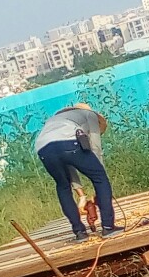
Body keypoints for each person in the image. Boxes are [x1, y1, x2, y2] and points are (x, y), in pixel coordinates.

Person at [35, 103, 123, 241]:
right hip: (69, 143)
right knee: (100, 178)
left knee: (63, 186)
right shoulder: (90, 115)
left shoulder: (53, 121)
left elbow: (68, 163)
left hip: (43, 149)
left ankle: (79, 232)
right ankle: (108, 227)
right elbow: (95, 147)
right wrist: (100, 185)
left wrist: (81, 195)